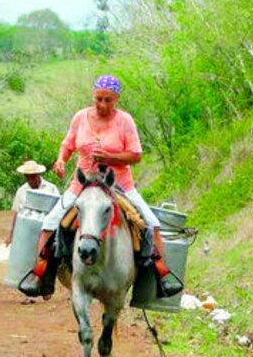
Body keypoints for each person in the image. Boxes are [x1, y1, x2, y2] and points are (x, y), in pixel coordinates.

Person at [18, 74, 184, 300]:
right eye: (99, 99)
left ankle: (160, 275)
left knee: (150, 223)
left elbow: (135, 155)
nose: (103, 105)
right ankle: (41, 275)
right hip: (82, 185)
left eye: (108, 100)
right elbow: (67, 144)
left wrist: (110, 157)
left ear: (116, 99)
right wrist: (61, 160)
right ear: (93, 96)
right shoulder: (80, 117)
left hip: (119, 185)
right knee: (50, 222)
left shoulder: (125, 121)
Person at [5, 160, 60, 246]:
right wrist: (11, 235)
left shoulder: (51, 189)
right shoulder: (21, 191)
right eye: (28, 177)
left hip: (48, 233)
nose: (31, 180)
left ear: (38, 174)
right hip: (28, 233)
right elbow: (16, 213)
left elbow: (58, 212)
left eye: (33, 176)